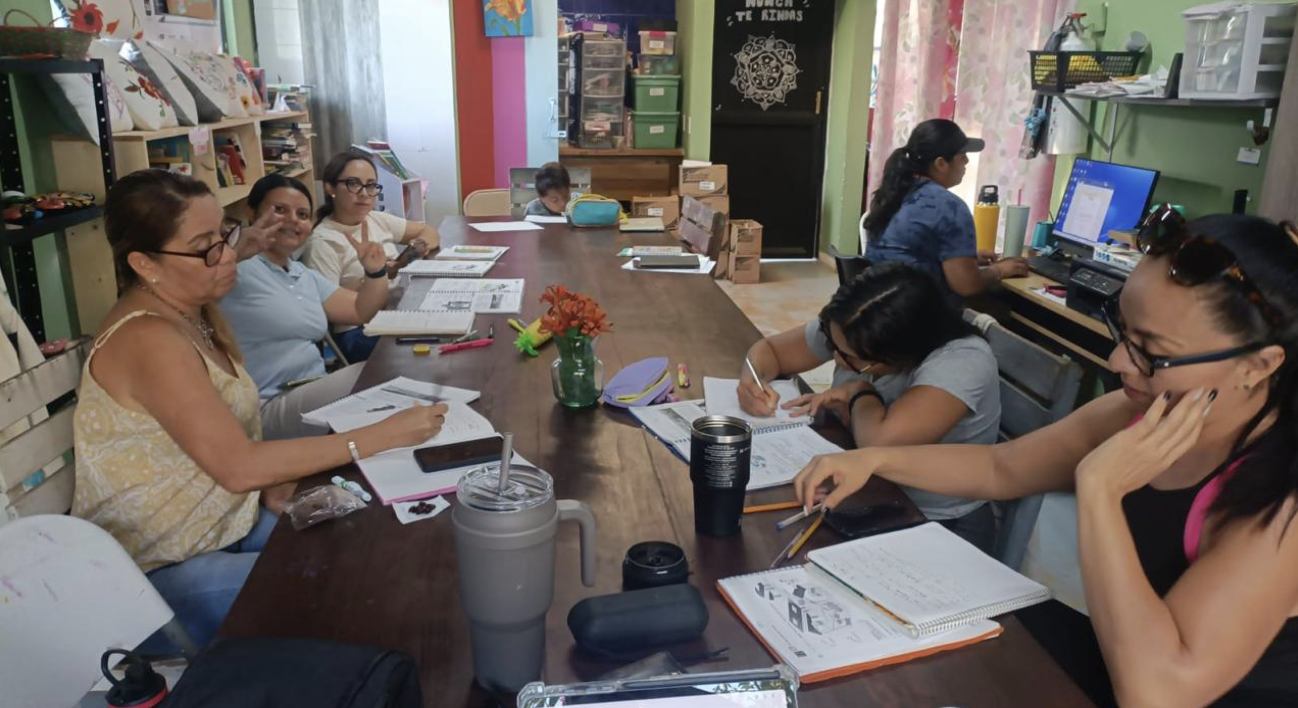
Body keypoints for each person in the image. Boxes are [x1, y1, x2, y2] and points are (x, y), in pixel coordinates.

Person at [794, 211, 1298, 708]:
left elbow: (1158, 693)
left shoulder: (1280, 496)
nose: (1117, 361)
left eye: (1151, 351)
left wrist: (1099, 490)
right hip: (1117, 652)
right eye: (1122, 330)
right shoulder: (1137, 410)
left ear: (1258, 365)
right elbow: (1002, 468)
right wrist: (875, 460)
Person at [73, 169, 448, 649]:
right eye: (206, 247)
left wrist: (270, 481)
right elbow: (238, 466)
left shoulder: (193, 314)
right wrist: (381, 435)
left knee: (371, 539)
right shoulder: (147, 338)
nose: (230, 254)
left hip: (223, 521)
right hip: (159, 567)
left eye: (225, 235)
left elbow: (206, 438)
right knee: (358, 584)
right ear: (145, 264)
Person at [740, 262, 1002, 551]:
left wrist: (859, 392)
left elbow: (879, 442)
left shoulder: (961, 361)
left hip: (934, 520)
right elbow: (770, 351)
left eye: (851, 360)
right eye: (833, 346)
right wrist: (753, 380)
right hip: (865, 494)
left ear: (901, 353)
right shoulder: (852, 327)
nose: (837, 359)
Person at [222, 174, 389, 440]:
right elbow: (188, 296)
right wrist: (233, 255)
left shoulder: (300, 273)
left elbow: (360, 311)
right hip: (266, 406)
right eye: (279, 210)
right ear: (251, 212)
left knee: (387, 377)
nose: (292, 220)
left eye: (302, 215)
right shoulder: (231, 270)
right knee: (378, 374)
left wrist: (375, 271)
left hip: (311, 389)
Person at [862, 118, 1028, 307]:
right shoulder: (950, 207)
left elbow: (907, 250)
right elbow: (967, 285)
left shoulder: (892, 192)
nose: (967, 161)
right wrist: (1000, 270)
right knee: (1007, 309)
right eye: (962, 156)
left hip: (876, 309)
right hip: (915, 315)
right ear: (941, 164)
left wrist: (964, 257)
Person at [303, 149, 438, 362]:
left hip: (397, 308)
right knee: (433, 349)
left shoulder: (374, 218)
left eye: (371, 185)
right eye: (353, 184)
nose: (364, 193)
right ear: (330, 188)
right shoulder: (322, 242)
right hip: (358, 330)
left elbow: (429, 232)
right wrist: (376, 276)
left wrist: (411, 251)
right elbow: (329, 306)